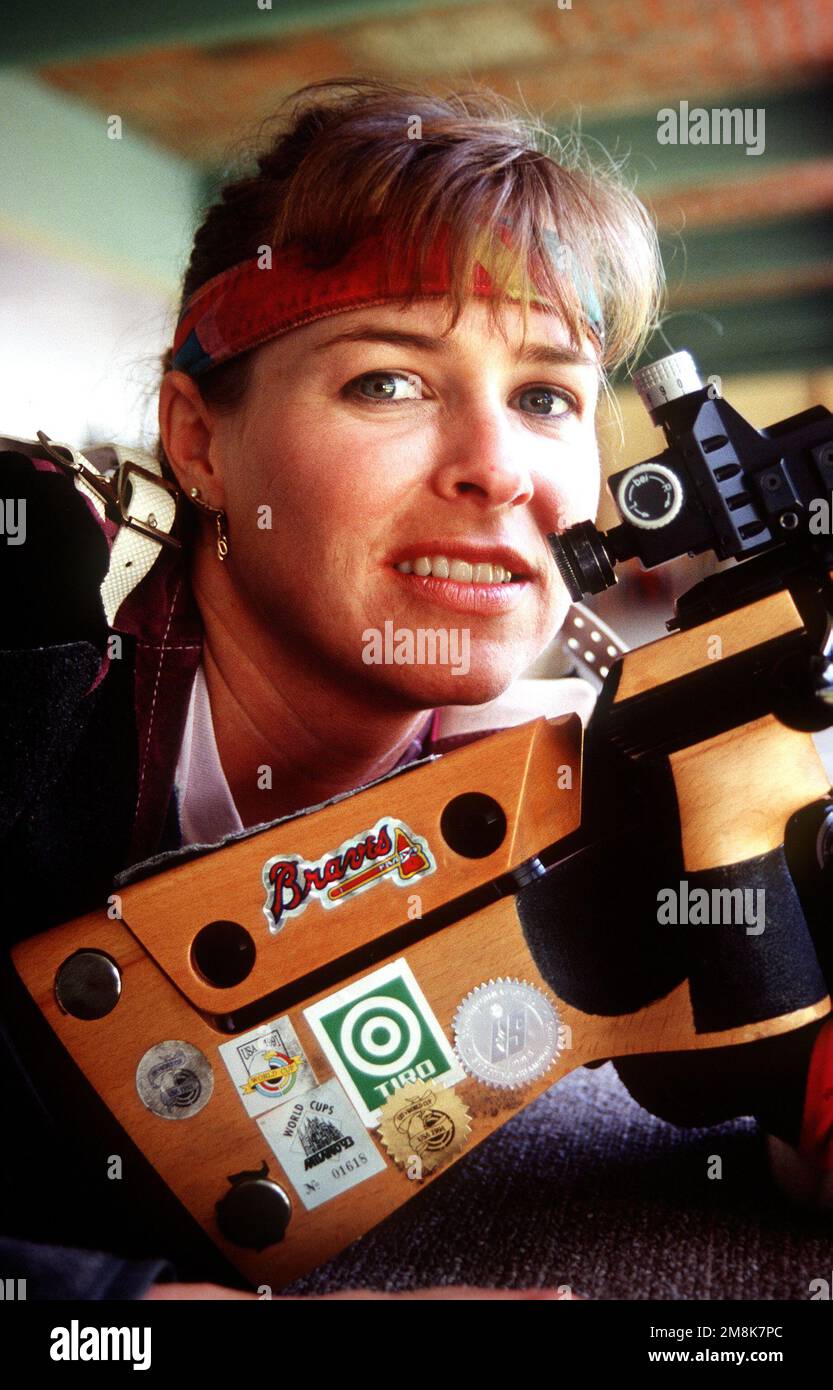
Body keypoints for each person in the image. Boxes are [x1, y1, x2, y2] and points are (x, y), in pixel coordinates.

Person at [0, 76, 829, 1304]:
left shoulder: (568, 774)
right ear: (197, 439)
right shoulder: (26, 611)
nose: (497, 468)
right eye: (385, 380)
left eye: (546, 396)